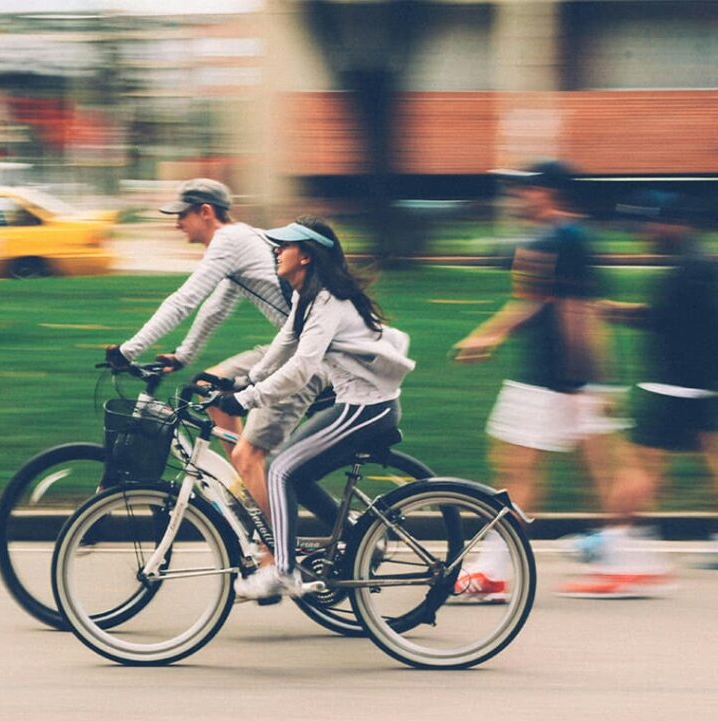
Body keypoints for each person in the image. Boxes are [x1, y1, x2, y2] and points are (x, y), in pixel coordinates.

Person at [215, 216, 415, 599]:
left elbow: (301, 368)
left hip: (366, 409)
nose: (276, 251)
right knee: (297, 475)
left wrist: (245, 399)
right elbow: (284, 345)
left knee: (280, 471)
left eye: (284, 246)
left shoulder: (328, 301)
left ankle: (284, 570)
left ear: (305, 256)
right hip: (357, 406)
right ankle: (357, 538)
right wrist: (245, 380)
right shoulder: (309, 297)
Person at [451, 159, 624, 601]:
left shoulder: (556, 238)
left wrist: (580, 379)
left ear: (549, 192)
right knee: (587, 470)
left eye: (526, 189)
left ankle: (494, 571)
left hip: (554, 379)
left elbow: (563, 306)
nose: (519, 197)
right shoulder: (574, 237)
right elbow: (557, 304)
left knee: (520, 470)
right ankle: (622, 559)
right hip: (567, 378)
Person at [105, 178, 328, 516]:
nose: (177, 223)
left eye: (182, 215)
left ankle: (275, 549)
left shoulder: (228, 240)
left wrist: (129, 351)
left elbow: (185, 300)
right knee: (208, 385)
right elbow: (215, 308)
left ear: (205, 212)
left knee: (250, 455)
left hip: (309, 356)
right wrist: (183, 356)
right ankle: (248, 491)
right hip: (291, 345)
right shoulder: (240, 241)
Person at [557, 191, 718, 597]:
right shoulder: (697, 261)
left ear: (670, 222)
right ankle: (631, 555)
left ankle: (621, 559)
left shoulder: (689, 267)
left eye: (648, 224)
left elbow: (662, 320)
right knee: (699, 462)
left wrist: (611, 310)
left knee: (637, 469)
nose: (644, 233)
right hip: (700, 385)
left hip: (674, 384)